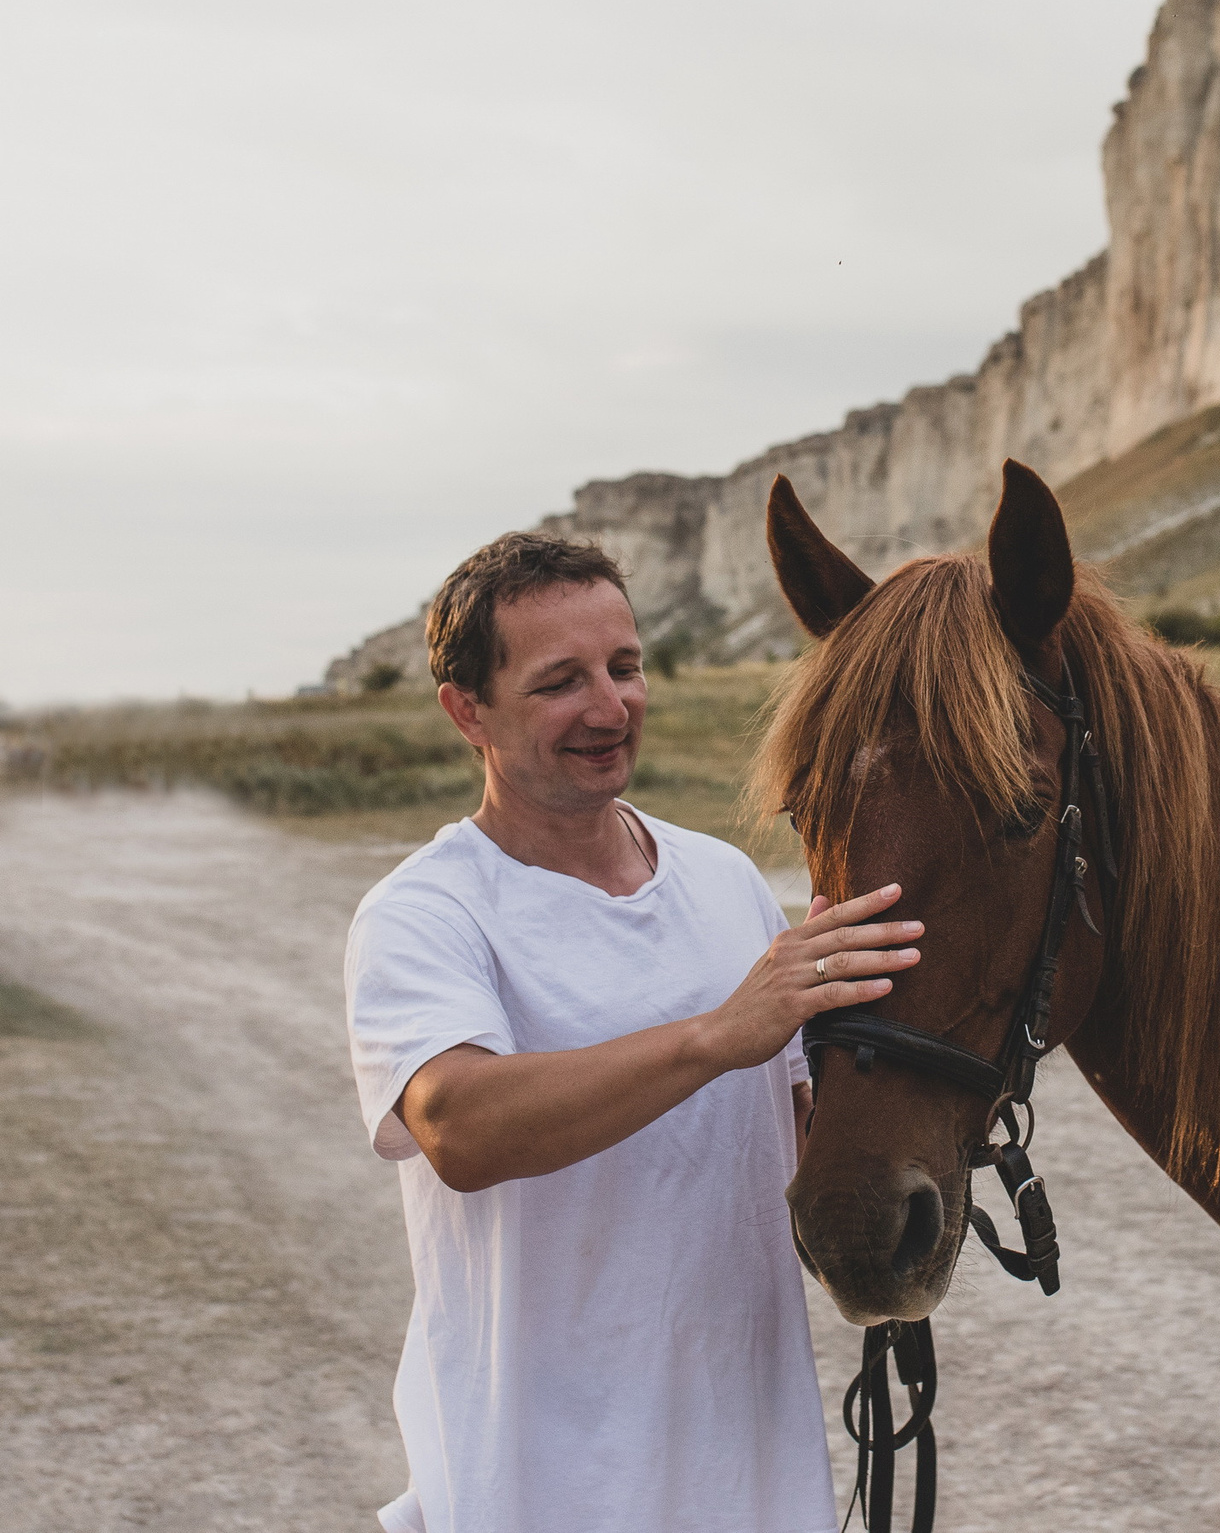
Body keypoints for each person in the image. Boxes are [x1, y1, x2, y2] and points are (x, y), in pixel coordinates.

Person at [343, 532, 920, 1533]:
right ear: (466, 711)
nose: (609, 709)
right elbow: (460, 1128)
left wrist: (920, 1108)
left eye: (624, 667)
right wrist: (715, 1035)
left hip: (749, 1473)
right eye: (561, 681)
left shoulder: (723, 881)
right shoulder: (425, 913)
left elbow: (791, 1133)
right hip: (536, 1487)